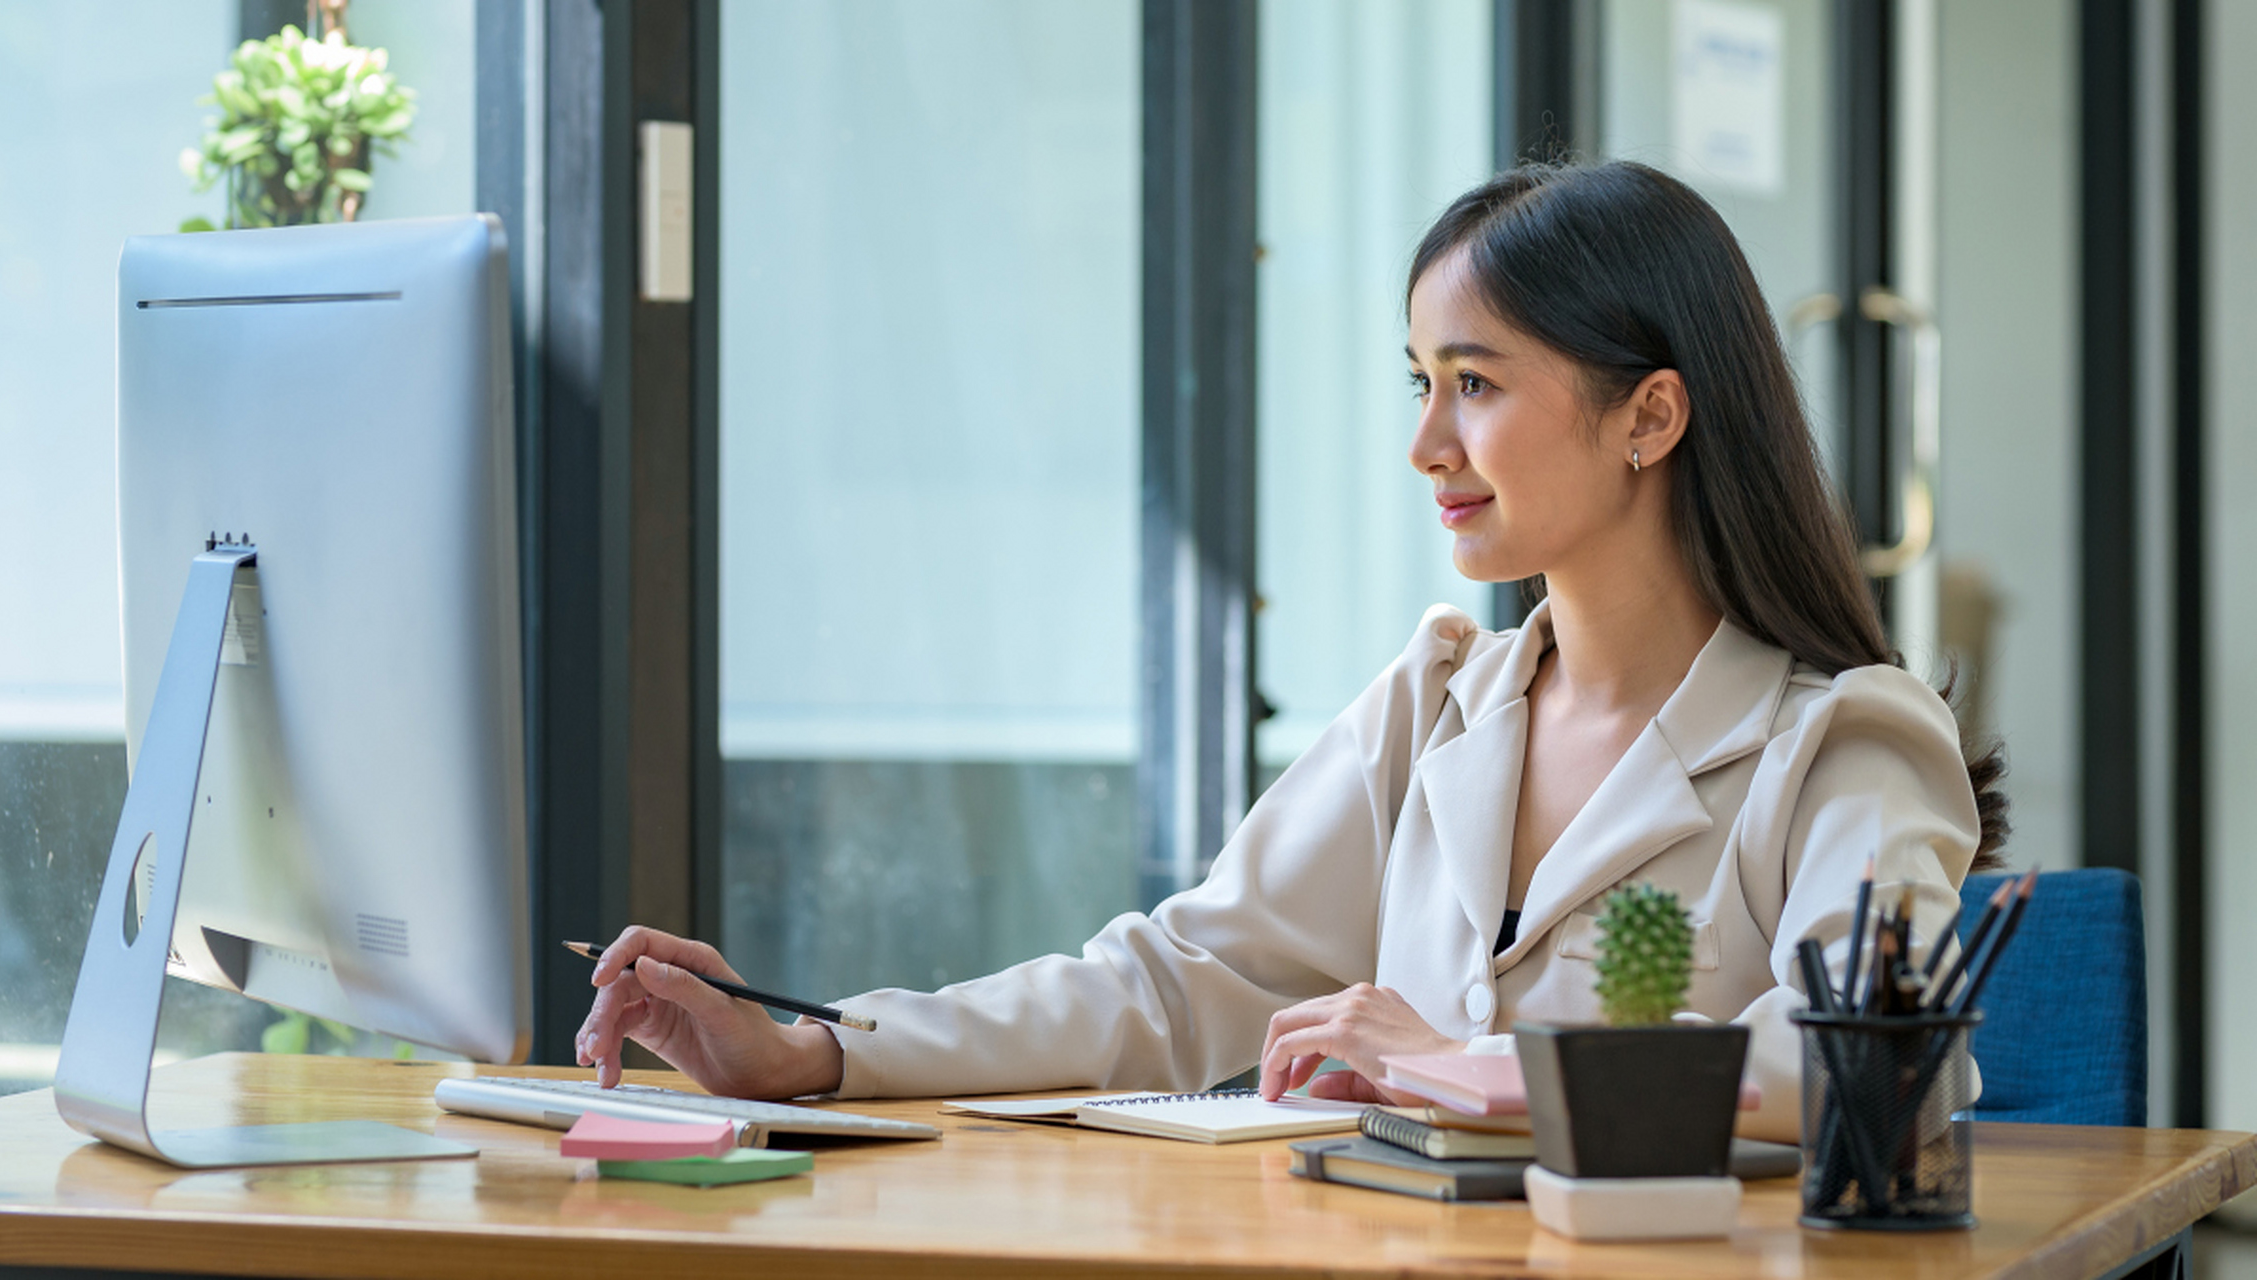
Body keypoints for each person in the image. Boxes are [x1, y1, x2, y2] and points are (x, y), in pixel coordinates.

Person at [574, 161, 2008, 1143]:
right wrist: (824, 1051)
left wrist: (1456, 1069)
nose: (1425, 444)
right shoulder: (1439, 706)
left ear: (1650, 416)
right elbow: (1172, 982)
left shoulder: (1840, 743)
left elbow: (1872, 1065)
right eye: (1420, 382)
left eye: (1477, 384)